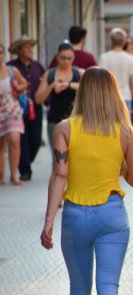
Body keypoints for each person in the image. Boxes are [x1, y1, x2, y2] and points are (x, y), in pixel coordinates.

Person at [40, 67, 133, 295]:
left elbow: (60, 175)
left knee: (80, 288)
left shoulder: (64, 129)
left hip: (75, 214)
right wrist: (118, 161)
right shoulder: (125, 132)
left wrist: (48, 221)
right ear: (113, 93)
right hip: (112, 215)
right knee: (109, 287)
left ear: (81, 92)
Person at [7, 36, 45, 182]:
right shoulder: (11, 66)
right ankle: (25, 170)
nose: (30, 50)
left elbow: (43, 84)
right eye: (26, 47)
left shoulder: (38, 66)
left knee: (35, 139)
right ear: (18, 50)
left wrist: (47, 102)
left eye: (31, 47)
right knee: (22, 139)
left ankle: (27, 162)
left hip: (35, 106)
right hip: (17, 107)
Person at [35, 42, 84, 152]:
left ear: (73, 57)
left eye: (69, 58)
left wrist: (68, 85)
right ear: (57, 57)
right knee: (58, 157)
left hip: (76, 120)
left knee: (75, 155)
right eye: (63, 58)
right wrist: (52, 86)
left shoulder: (79, 73)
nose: (66, 61)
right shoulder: (50, 74)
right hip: (55, 120)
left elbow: (90, 89)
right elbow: (38, 98)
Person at [0, 43, 27, 185]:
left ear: (4, 55)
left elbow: (24, 84)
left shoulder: (11, 70)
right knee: (0, 144)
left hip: (12, 108)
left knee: (14, 140)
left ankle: (14, 175)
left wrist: (18, 86)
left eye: (0, 53)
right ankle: (1, 176)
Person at [99, 28, 133, 115]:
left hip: (108, 97)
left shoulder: (104, 57)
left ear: (111, 41)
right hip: (125, 96)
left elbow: (101, 81)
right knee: (124, 126)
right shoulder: (130, 59)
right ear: (124, 42)